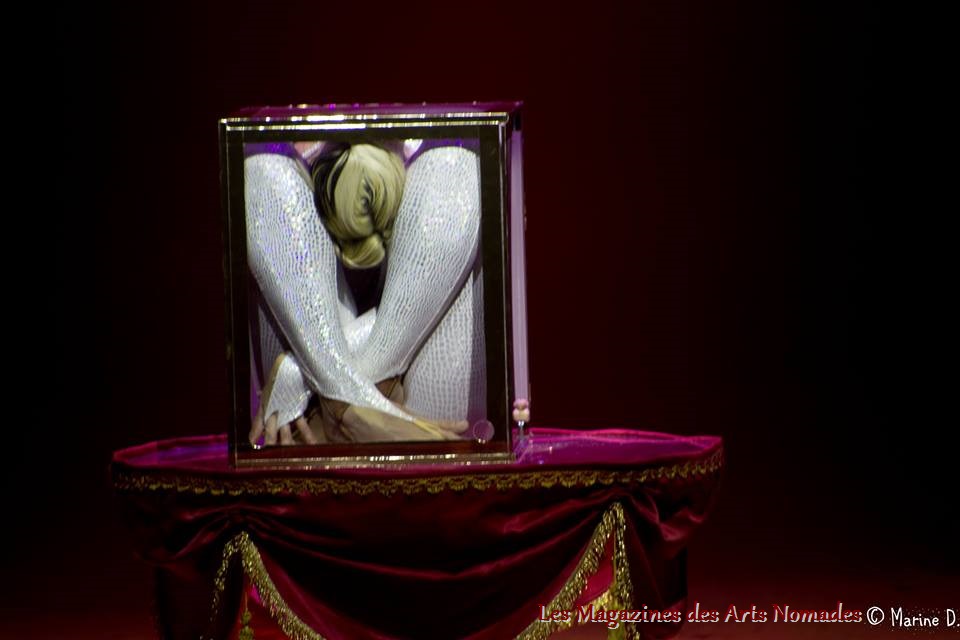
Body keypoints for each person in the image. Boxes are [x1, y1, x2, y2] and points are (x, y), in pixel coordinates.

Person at [244, 138, 486, 446]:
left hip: (322, 406)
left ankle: (341, 401)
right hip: (400, 423)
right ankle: (355, 404)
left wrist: (296, 372)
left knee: (452, 164)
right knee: (265, 168)